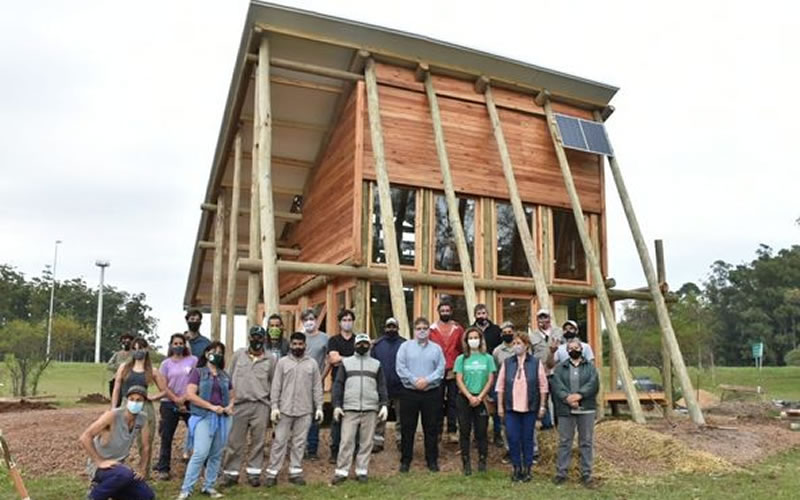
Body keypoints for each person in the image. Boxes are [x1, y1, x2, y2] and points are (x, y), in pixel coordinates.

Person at [265, 332, 324, 487]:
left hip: (305, 410)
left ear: (305, 345)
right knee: (279, 442)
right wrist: (274, 407)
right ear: (290, 345)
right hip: (284, 410)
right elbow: (276, 386)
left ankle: (295, 471)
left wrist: (319, 407)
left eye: (300, 344)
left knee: (299, 443)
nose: (297, 347)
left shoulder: (312, 364)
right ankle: (272, 472)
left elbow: (317, 387)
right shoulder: (282, 363)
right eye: (295, 344)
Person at [221, 326, 276, 487]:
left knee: (258, 441)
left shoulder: (271, 359)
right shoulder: (239, 355)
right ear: (249, 338)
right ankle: (231, 473)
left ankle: (254, 473)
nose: (256, 340)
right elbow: (228, 378)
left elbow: (273, 382)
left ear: (264, 339)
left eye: (260, 337)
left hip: (261, 405)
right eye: (254, 336)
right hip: (239, 404)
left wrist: (273, 405)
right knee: (234, 441)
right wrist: (228, 401)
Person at [177, 341, 234, 500]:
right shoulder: (198, 372)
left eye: (220, 352)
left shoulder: (224, 375)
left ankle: (209, 486)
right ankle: (186, 489)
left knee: (216, 454)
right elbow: (190, 395)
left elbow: (233, 395)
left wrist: (230, 406)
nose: (217, 354)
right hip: (203, 416)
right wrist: (210, 406)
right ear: (207, 353)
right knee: (200, 453)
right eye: (213, 351)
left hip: (223, 418)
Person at [331, 333, 389, 484]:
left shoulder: (376, 364)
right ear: (354, 345)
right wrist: (337, 405)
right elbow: (338, 385)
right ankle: (341, 471)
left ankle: (362, 471)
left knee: (366, 442)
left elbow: (382, 385)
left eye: (365, 343)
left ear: (369, 345)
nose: (362, 346)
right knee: (346, 441)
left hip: (370, 408)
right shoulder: (346, 363)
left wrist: (384, 404)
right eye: (359, 343)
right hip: (350, 408)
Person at [79, 385, 155, 500]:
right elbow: (85, 437)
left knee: (146, 495)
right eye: (132, 399)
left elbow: (145, 446)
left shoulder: (142, 419)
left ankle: (113, 491)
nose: (135, 403)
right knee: (124, 474)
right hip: (101, 466)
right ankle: (94, 495)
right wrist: (99, 461)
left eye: (139, 400)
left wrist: (142, 469)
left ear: (144, 403)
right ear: (126, 400)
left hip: (119, 467)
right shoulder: (112, 415)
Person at [110, 337, 166, 479]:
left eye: (140, 348)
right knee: (121, 439)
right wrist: (113, 408)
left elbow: (164, 390)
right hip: (126, 403)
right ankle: (115, 472)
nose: (137, 351)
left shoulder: (152, 370)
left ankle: (144, 474)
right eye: (134, 348)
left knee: (145, 442)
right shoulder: (124, 367)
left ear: (146, 349)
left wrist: (153, 397)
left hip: (144, 406)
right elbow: (117, 388)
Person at [495, 332, 548, 483]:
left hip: (529, 408)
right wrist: (500, 406)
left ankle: (527, 468)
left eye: (519, 343)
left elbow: (543, 386)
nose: (516, 346)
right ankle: (516, 467)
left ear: (526, 345)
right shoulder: (507, 363)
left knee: (527, 439)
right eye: (514, 344)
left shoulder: (535, 363)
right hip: (511, 407)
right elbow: (500, 386)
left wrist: (542, 406)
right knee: (513, 438)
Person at [395, 316, 445, 473]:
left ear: (429, 331)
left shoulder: (436, 349)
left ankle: (432, 460)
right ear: (414, 330)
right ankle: (406, 460)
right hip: (409, 392)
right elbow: (400, 367)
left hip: (431, 393)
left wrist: (427, 380)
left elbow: (441, 369)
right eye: (419, 329)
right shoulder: (405, 347)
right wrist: (414, 380)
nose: (422, 331)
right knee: (407, 427)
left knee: (431, 427)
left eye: (425, 328)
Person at [551, 338, 599, 488]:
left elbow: (593, 384)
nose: (574, 350)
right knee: (565, 441)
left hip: (586, 408)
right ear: (567, 351)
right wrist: (568, 398)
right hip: (566, 409)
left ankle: (586, 473)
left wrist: (579, 395)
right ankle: (561, 473)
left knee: (586, 442)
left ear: (581, 349)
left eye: (576, 348)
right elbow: (557, 385)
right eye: (570, 348)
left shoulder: (590, 367)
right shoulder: (560, 368)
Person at [153, 333, 197, 481]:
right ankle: (163, 467)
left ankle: (200, 466)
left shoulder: (193, 360)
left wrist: (185, 398)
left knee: (197, 433)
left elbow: (195, 381)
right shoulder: (165, 364)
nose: (178, 346)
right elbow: (163, 385)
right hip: (169, 402)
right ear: (171, 345)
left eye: (181, 343)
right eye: (175, 344)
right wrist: (176, 399)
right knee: (166, 436)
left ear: (185, 345)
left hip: (189, 400)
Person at [453, 326, 496, 475]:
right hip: (464, 398)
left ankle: (482, 461)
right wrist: (470, 396)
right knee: (464, 431)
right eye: (470, 338)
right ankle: (466, 462)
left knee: (481, 431)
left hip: (481, 398)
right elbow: (459, 379)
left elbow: (490, 379)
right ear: (466, 341)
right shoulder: (461, 359)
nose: (473, 340)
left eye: (476, 338)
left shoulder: (488, 358)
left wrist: (480, 396)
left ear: (481, 340)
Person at [429, 300, 464, 443]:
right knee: (436, 402)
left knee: (452, 402)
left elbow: (462, 349)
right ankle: (437, 431)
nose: (445, 313)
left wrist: (459, 367)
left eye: (447, 311)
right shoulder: (431, 329)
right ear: (438, 312)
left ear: (451, 312)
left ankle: (452, 431)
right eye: (442, 311)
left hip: (453, 370)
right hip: (436, 370)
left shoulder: (458, 329)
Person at [370, 317, 406, 453]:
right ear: (385, 328)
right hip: (382, 386)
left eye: (393, 327)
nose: (391, 329)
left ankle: (401, 440)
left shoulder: (404, 344)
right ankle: (377, 441)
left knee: (401, 416)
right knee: (380, 416)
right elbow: (372, 364)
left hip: (400, 386)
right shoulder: (378, 345)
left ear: (397, 328)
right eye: (389, 326)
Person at [326, 308, 357, 464]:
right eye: (344, 320)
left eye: (349, 320)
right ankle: (335, 450)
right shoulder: (334, 340)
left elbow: (362, 357)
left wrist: (342, 359)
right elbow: (333, 359)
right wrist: (353, 359)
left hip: (356, 383)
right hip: (338, 383)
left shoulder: (357, 340)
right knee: (337, 416)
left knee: (356, 417)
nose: (347, 323)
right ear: (339, 323)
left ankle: (354, 451)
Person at [300, 308, 328, 461]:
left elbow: (329, 360)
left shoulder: (324, 338)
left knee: (315, 415)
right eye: (306, 320)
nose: (309, 322)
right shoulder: (300, 338)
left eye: (311, 319)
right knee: (301, 414)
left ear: (316, 320)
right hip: (299, 383)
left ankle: (312, 449)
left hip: (317, 383)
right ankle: (300, 447)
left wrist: (322, 377)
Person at [529, 308, 562, 431]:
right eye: (540, 318)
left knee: (558, 398)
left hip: (557, 371)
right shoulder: (532, 336)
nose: (543, 320)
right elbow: (531, 354)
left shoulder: (558, 332)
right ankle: (547, 425)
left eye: (545, 317)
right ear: (537, 320)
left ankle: (559, 424)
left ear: (549, 318)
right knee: (543, 398)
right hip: (541, 372)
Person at [492, 322, 516, 460]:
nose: (507, 334)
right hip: (505, 390)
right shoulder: (497, 351)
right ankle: (509, 449)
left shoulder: (521, 347)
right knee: (505, 422)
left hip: (520, 388)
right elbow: (495, 372)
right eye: (505, 332)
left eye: (510, 332)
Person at [106, 332, 134, 400]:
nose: (126, 344)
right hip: (117, 377)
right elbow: (109, 365)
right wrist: (119, 367)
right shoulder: (117, 354)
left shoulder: (134, 354)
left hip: (130, 378)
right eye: (124, 342)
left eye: (128, 342)